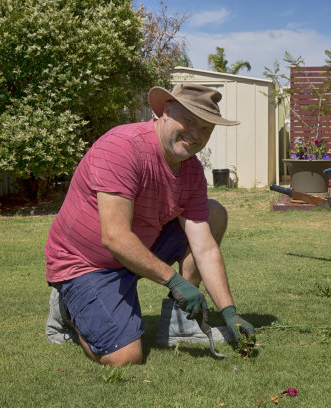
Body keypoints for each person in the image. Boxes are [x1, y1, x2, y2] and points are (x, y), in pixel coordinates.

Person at [44, 83, 255, 366]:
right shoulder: (123, 147)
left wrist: (230, 313)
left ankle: (180, 323)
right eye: (189, 121)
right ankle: (69, 310)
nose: (196, 135)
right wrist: (174, 280)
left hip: (141, 244)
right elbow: (115, 237)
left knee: (213, 213)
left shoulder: (191, 169)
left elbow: (203, 246)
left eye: (206, 129)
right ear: (166, 111)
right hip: (88, 263)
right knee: (125, 357)